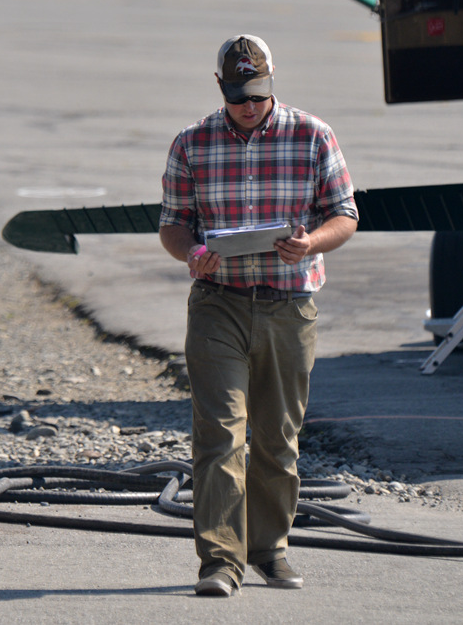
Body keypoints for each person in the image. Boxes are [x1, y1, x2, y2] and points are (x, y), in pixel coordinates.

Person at [158, 34, 358, 597]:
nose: (251, 107)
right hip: (218, 304)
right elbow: (173, 223)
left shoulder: (312, 135)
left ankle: (271, 550)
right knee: (219, 433)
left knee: (277, 439)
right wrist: (192, 252)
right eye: (240, 96)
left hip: (288, 306)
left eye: (260, 95)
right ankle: (220, 562)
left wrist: (311, 242)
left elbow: (345, 214)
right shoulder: (191, 143)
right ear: (221, 88)